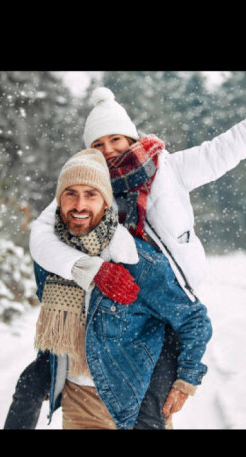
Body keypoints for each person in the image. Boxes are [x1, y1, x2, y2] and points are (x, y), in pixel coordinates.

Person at [5, 73, 246, 429]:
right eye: (99, 144)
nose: (108, 150)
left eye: (115, 139)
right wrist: (91, 270)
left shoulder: (170, 170)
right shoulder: (86, 186)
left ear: (131, 137)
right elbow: (42, 237)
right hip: (121, 307)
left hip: (166, 303)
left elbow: (228, 147)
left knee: (148, 415)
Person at [13, 148, 212, 429]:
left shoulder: (137, 261)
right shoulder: (51, 260)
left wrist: (186, 380)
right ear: (59, 201)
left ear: (106, 202)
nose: (79, 204)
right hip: (78, 401)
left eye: (91, 194)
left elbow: (194, 319)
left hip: (134, 401)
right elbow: (57, 324)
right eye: (71, 193)